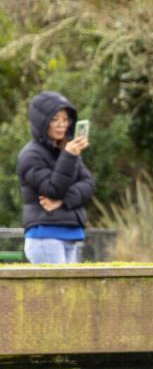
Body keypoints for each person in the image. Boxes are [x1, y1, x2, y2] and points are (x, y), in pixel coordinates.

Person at [17, 92, 95, 265]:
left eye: (65, 120)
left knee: (70, 292)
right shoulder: (30, 155)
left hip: (71, 234)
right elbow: (52, 189)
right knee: (55, 292)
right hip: (45, 236)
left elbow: (89, 184)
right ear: (42, 122)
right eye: (55, 119)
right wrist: (69, 156)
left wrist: (63, 201)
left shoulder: (67, 150)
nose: (62, 125)